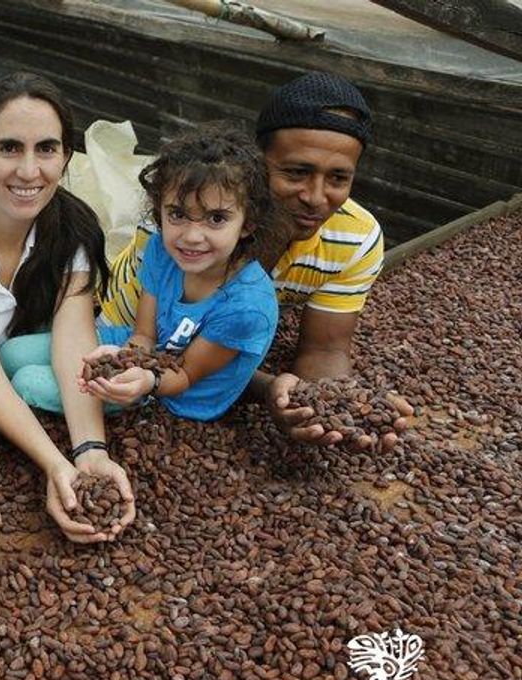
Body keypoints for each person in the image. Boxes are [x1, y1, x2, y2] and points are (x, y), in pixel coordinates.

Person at [97, 73, 412, 447]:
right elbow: (156, 347)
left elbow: (324, 349)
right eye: (297, 172)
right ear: (257, 165)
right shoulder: (177, 229)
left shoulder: (356, 239)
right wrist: (266, 387)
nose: (315, 197)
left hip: (207, 353)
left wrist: (334, 406)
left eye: (338, 178)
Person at [0, 73, 135, 544]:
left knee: (32, 363)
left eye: (46, 149)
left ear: (66, 158)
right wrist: (54, 464)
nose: (29, 170)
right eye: (8, 148)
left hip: (6, 370)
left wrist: (90, 453)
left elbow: (73, 342)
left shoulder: (71, 230)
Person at [82, 124, 281, 422]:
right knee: (18, 353)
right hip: (144, 356)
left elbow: (185, 375)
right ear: (158, 211)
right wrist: (124, 359)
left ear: (248, 223)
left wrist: (144, 380)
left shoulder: (247, 306)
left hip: (176, 401)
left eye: (216, 218)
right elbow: (144, 334)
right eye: (177, 214)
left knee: (31, 382)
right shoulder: (161, 250)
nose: (191, 236)